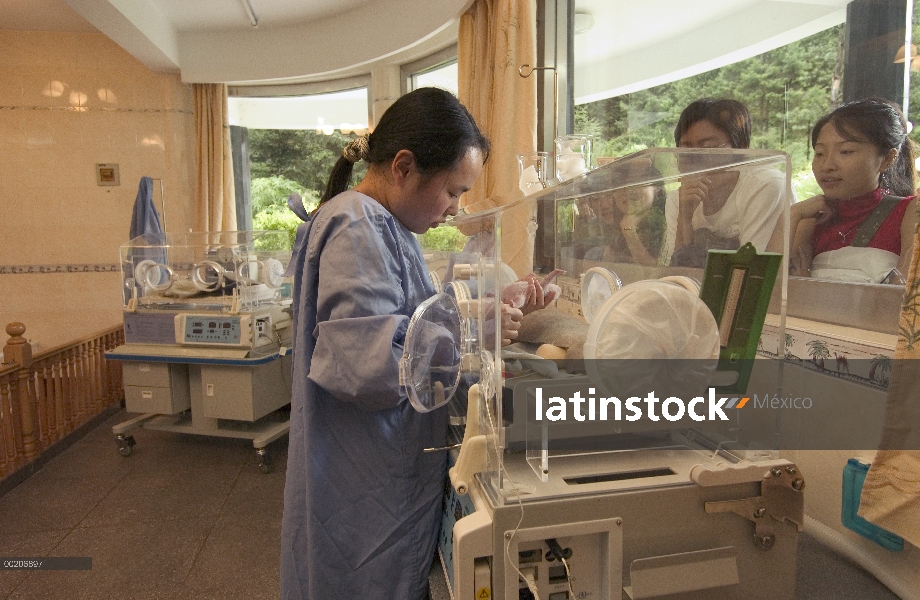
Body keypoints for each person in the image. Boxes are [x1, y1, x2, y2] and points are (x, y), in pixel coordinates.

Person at [280, 88, 509, 600]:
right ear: (404, 166)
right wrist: (471, 334)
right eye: (453, 191)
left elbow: (404, 320)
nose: (453, 209)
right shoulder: (357, 225)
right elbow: (370, 365)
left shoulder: (383, 224)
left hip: (374, 464)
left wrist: (477, 311)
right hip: (367, 478)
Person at [773, 98, 917, 284]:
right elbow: (769, 289)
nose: (827, 165)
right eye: (820, 153)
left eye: (846, 151)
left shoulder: (909, 213)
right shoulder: (810, 221)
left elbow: (906, 297)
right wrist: (792, 214)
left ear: (886, 159)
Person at [664, 98, 788, 267]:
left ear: (740, 148)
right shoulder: (678, 198)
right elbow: (677, 275)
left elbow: (753, 274)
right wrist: (684, 217)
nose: (696, 160)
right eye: (686, 151)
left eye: (708, 148)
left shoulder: (765, 186)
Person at [582, 157, 667, 266]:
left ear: (657, 189)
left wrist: (629, 230)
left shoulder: (665, 224)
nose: (628, 191)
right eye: (621, 186)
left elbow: (656, 274)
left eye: (637, 183)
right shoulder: (614, 233)